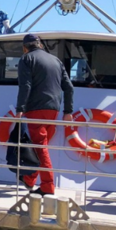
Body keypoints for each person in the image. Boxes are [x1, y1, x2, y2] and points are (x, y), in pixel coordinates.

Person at [15, 34, 74, 195]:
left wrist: (19, 108)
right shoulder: (56, 60)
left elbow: (25, 85)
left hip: (36, 109)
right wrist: (68, 111)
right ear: (40, 45)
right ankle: (30, 179)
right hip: (54, 109)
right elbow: (69, 88)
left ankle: (48, 186)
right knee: (40, 146)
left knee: (40, 148)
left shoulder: (26, 59)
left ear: (24, 47)